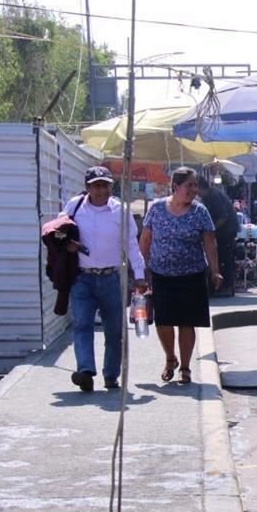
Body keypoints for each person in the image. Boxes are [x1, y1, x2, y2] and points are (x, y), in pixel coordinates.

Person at [62, 166, 147, 392]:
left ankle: (111, 375)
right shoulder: (74, 207)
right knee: (82, 325)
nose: (101, 191)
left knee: (114, 331)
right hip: (82, 278)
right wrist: (66, 243)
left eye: (105, 185)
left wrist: (139, 275)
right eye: (96, 186)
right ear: (87, 187)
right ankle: (85, 371)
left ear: (111, 186)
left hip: (111, 278)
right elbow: (57, 231)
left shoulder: (120, 211)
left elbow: (131, 245)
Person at [139, 167, 222, 385]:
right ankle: (170, 358)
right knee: (163, 321)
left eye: (195, 185)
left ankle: (185, 367)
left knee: (187, 322)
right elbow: (145, 240)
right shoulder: (157, 209)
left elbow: (210, 243)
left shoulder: (200, 212)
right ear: (175, 186)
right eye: (189, 185)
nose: (194, 190)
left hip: (191, 274)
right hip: (161, 274)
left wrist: (215, 271)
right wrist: (140, 270)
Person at [198, 176, 238, 296]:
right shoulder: (206, 197)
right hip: (220, 231)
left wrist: (211, 230)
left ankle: (226, 287)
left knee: (224, 258)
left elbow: (223, 217)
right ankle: (217, 287)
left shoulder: (214, 195)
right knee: (218, 258)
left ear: (200, 187)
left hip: (226, 231)